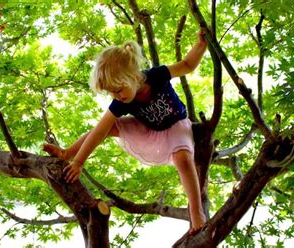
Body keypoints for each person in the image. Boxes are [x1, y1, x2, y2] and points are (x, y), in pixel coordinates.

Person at [43, 31, 207, 233]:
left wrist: (201, 45)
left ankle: (197, 211)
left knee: (182, 158)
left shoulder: (156, 75)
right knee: (108, 127)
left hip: (176, 126)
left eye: (118, 89)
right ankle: (68, 152)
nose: (115, 96)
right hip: (147, 129)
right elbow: (99, 131)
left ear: (134, 76)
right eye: (110, 92)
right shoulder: (121, 101)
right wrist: (78, 161)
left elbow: (187, 65)